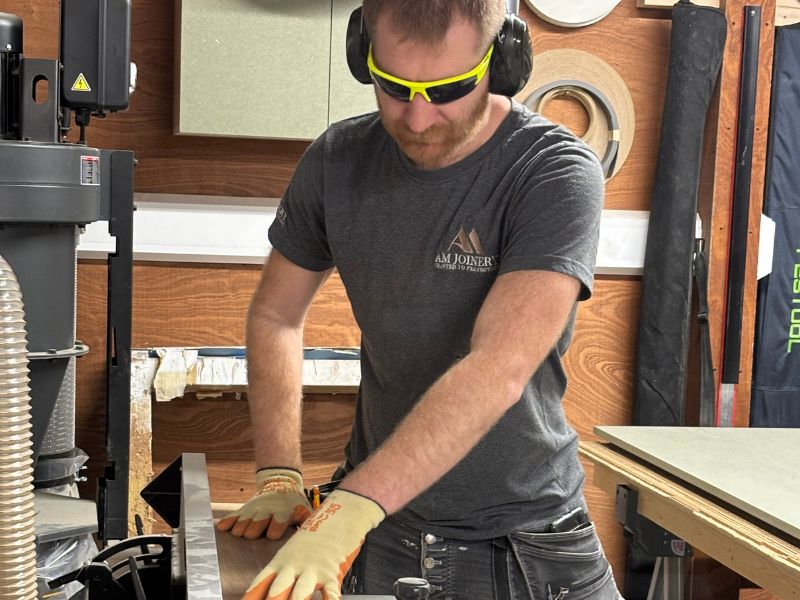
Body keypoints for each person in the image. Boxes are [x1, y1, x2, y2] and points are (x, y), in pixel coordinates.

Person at [216, 1, 622, 598]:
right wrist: (279, 473)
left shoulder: (554, 172)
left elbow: (498, 367)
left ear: (501, 62)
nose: (418, 117)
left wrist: (350, 510)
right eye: (394, 87)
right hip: (383, 529)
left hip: (522, 543)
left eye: (449, 89)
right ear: (363, 56)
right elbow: (277, 315)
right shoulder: (337, 160)